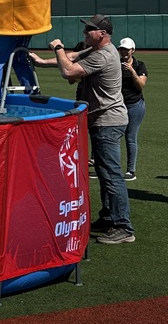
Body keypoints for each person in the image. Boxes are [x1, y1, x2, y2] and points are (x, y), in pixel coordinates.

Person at [30, 14, 134, 245]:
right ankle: (109, 217)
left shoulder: (104, 55)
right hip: (103, 120)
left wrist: (57, 46)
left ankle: (123, 227)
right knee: (107, 174)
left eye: (90, 29)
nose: (85, 32)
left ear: (103, 34)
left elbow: (68, 70)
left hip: (108, 121)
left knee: (111, 176)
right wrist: (41, 61)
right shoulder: (95, 51)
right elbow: (71, 58)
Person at [118, 37, 147, 180]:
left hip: (135, 105)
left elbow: (141, 85)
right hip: (118, 105)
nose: (123, 51)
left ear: (132, 50)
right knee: (114, 136)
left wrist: (132, 72)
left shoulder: (139, 65)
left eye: (126, 49)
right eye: (121, 49)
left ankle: (131, 171)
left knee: (130, 137)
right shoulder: (115, 64)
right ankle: (112, 168)